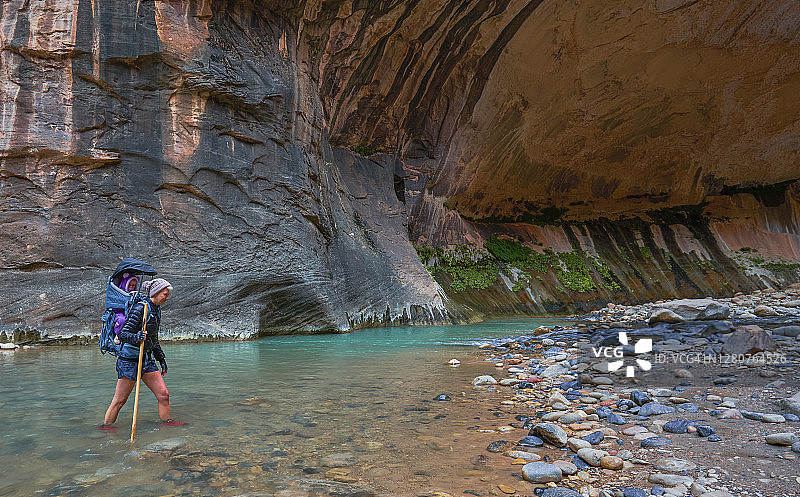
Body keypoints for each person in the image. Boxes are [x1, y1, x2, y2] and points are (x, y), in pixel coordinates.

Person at [100, 278, 184, 429]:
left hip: (146, 359)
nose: (167, 297)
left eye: (167, 295)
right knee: (119, 401)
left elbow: (153, 338)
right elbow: (124, 334)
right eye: (165, 294)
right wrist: (137, 337)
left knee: (163, 395)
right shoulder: (140, 308)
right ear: (156, 293)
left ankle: (167, 426)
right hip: (129, 361)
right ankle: (106, 429)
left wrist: (161, 359)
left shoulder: (156, 310)